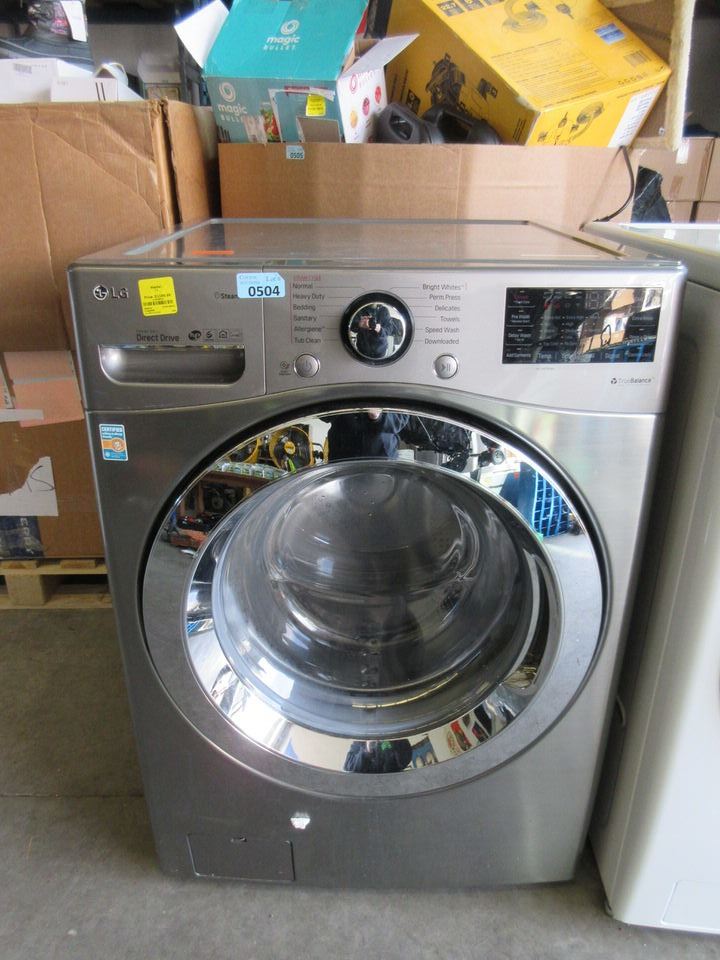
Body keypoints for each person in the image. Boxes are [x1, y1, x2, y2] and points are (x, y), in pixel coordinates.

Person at [326, 409, 410, 461]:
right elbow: (324, 413)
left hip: (383, 460)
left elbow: (402, 416)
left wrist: (379, 417)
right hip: (341, 458)